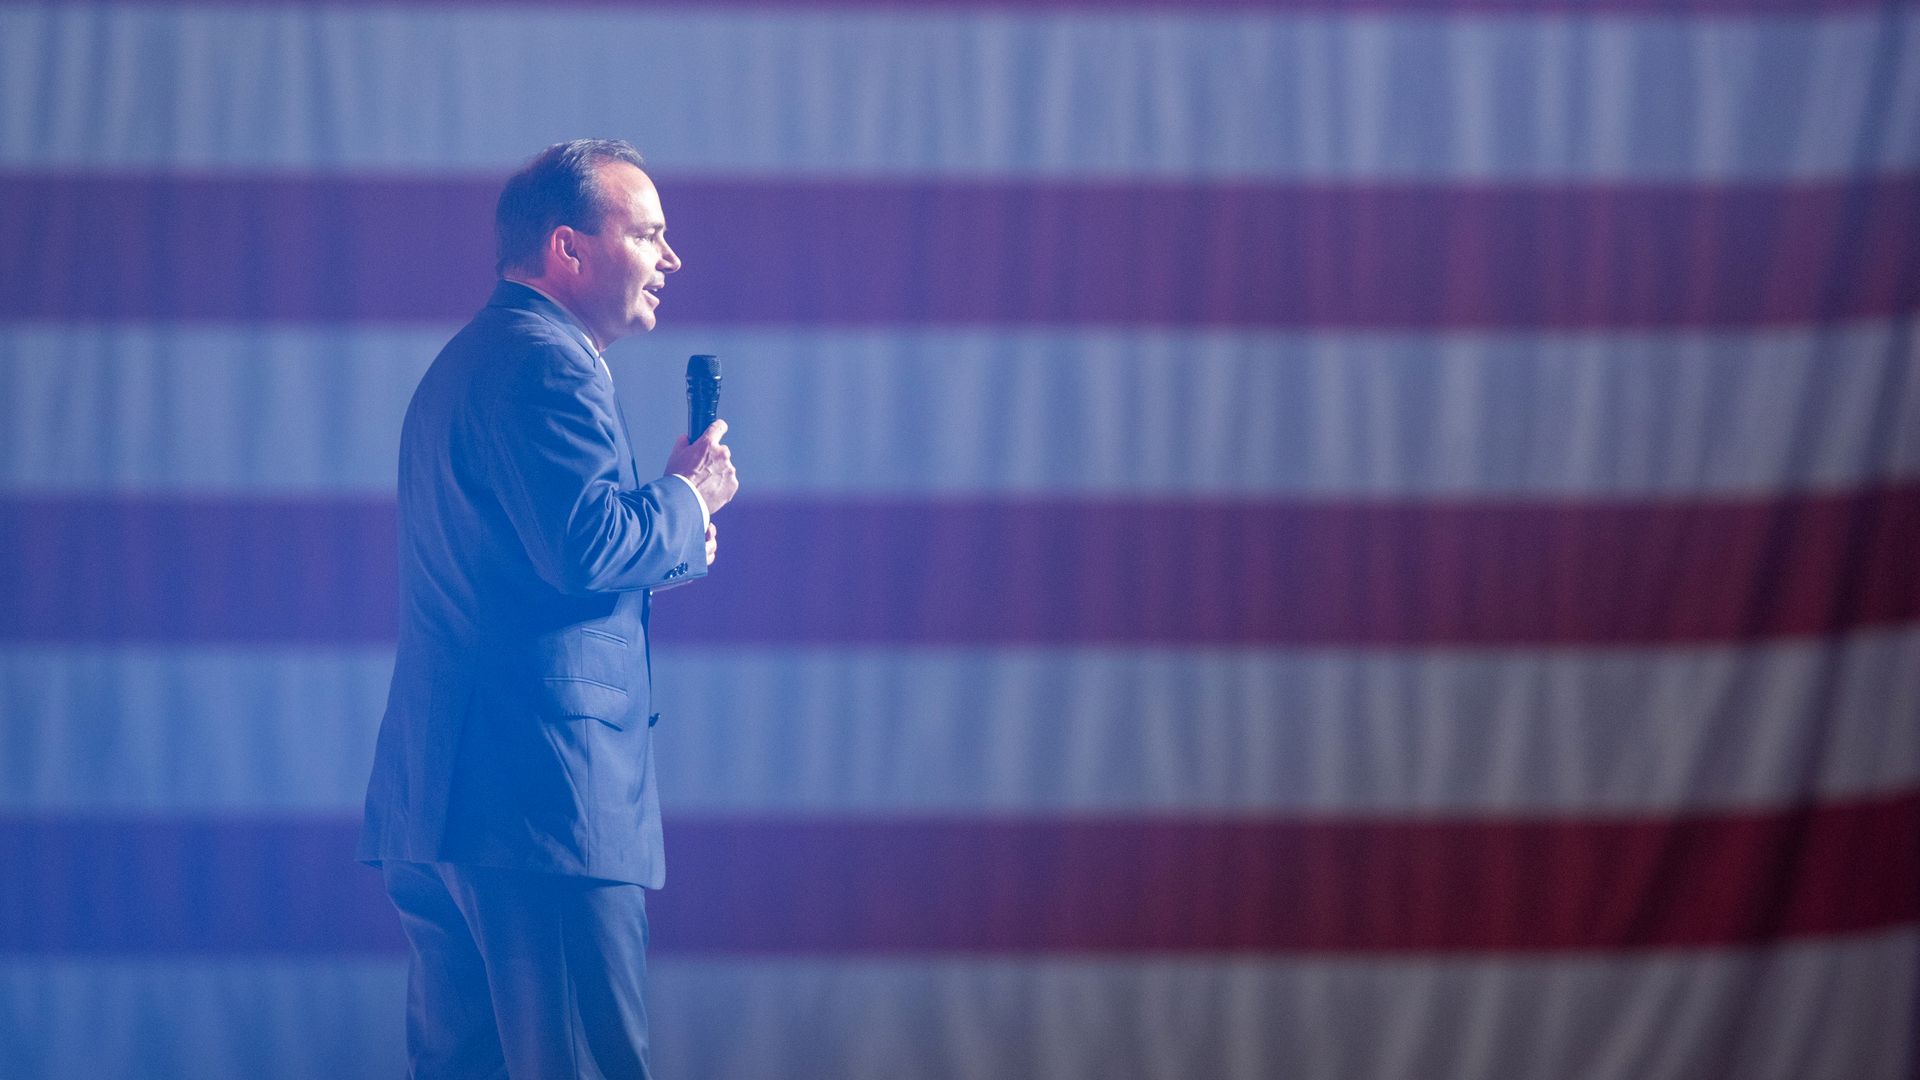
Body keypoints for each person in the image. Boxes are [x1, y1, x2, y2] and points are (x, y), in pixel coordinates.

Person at [356, 139, 738, 1079]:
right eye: (647, 234)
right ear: (568, 249)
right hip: (541, 813)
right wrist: (686, 498)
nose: (671, 257)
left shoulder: (469, 362)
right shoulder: (547, 362)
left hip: (446, 807)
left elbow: (536, 559)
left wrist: (669, 521)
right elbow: (585, 545)